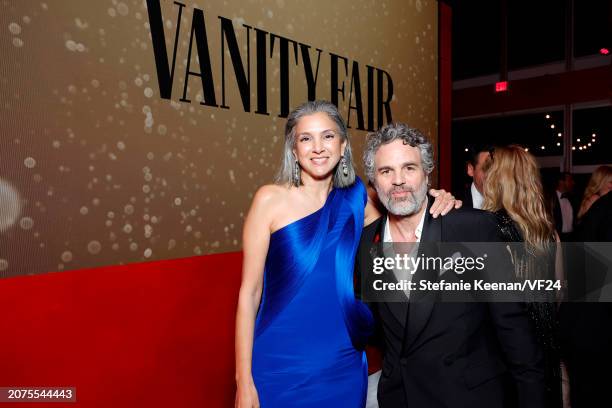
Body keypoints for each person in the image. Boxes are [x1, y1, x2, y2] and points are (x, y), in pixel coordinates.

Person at [234, 101, 458, 408]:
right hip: (279, 362)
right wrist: (243, 380)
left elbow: (404, 210)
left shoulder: (356, 198)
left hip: (343, 360)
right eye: (305, 138)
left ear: (342, 146)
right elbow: (250, 294)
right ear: (293, 148)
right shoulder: (270, 199)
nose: (317, 148)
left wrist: (436, 197)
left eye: (327, 136)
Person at [356, 123, 545, 408]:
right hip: (401, 398)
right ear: (374, 180)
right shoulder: (366, 243)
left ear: (427, 173)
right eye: (386, 171)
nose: (398, 180)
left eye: (409, 168)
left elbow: (514, 330)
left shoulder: (472, 229)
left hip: (469, 398)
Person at [482, 145, 565, 408]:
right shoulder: (548, 233)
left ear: (496, 178)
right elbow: (559, 292)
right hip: (545, 348)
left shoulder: (490, 231)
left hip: (506, 354)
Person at [550, 172, 575, 241]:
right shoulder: (550, 199)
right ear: (561, 182)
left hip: (571, 237)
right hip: (557, 238)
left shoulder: (573, 198)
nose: (573, 183)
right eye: (570, 180)